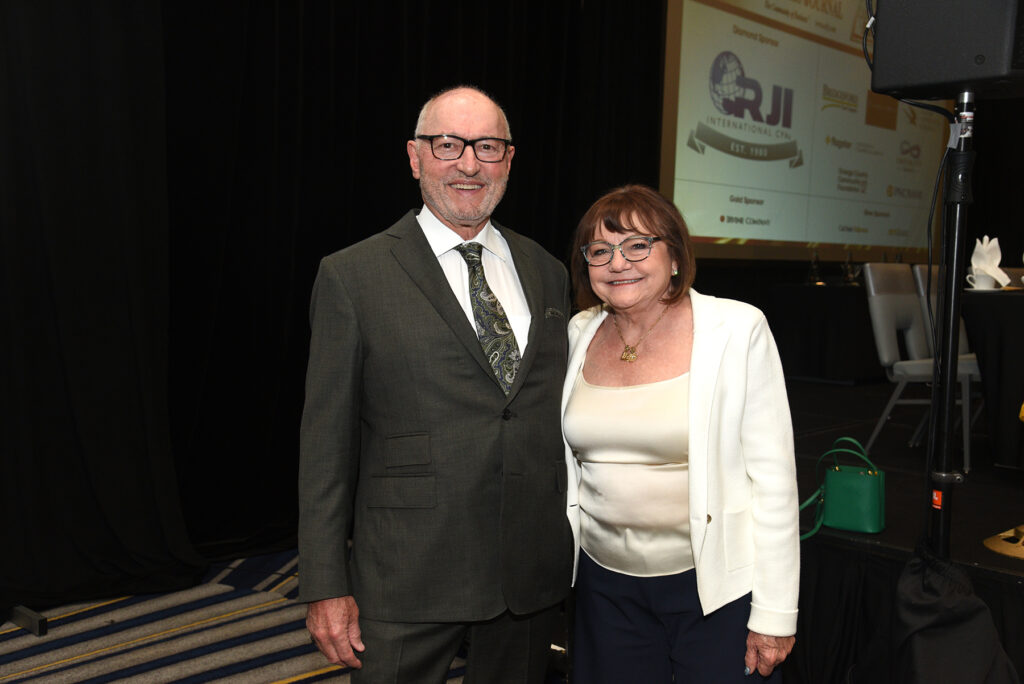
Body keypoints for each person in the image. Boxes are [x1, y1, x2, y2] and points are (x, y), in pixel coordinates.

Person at [298, 85, 574, 683]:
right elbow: (325, 447)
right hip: (407, 572)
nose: (469, 164)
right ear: (415, 156)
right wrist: (324, 583)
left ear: (509, 160)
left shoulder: (548, 271)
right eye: (448, 144)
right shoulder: (352, 276)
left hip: (528, 573)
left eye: (488, 147)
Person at [561, 184, 799, 682]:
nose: (617, 263)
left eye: (637, 246)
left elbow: (774, 482)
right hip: (604, 589)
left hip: (715, 591)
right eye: (600, 251)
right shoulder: (579, 331)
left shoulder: (737, 329)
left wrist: (776, 613)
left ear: (674, 256)